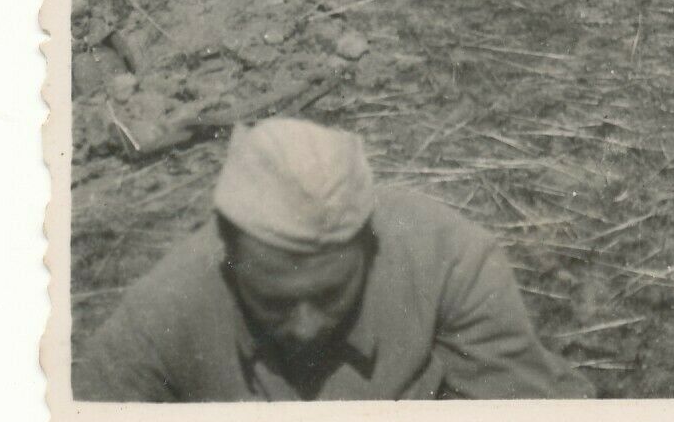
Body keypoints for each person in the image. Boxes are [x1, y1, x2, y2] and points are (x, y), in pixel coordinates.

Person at [74, 120, 590, 403]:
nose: (305, 326)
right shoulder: (160, 319)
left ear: (369, 246)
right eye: (274, 302)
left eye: (331, 294)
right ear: (228, 259)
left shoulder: (447, 260)